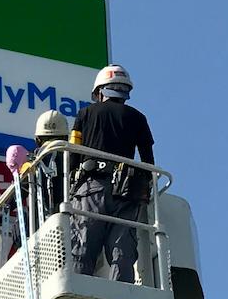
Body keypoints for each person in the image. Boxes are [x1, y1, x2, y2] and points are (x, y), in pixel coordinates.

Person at [68, 64, 155, 281]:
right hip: (127, 191)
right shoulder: (138, 118)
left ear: (100, 91)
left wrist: (71, 185)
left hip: (91, 189)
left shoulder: (85, 114)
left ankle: (81, 288)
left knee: (83, 245)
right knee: (122, 249)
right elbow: (148, 161)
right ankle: (122, 292)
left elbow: (72, 154)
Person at [32, 109, 70, 224]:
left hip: (41, 222)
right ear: (66, 137)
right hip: (71, 219)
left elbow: (20, 191)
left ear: (37, 140)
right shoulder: (73, 156)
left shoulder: (34, 162)